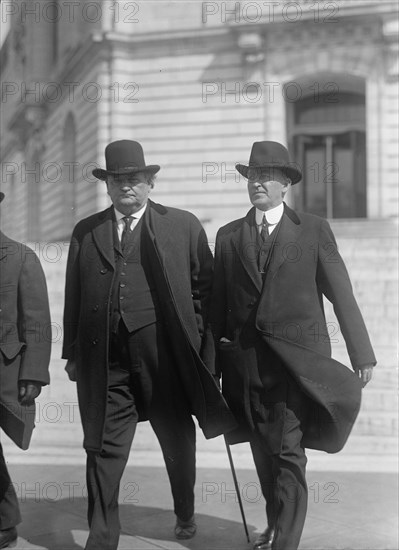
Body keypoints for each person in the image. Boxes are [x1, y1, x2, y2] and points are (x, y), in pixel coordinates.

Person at [62, 140, 235, 550]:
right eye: (118, 179)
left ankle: (185, 511)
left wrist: (205, 354)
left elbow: (205, 293)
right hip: (108, 362)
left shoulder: (183, 225)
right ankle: (102, 537)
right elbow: (74, 295)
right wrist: (72, 352)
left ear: (150, 182)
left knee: (177, 443)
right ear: (107, 185)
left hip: (166, 360)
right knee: (102, 448)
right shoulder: (85, 232)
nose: (127, 186)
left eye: (135, 179)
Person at [208, 141, 376, 550]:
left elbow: (341, 293)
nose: (257, 183)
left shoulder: (313, 229)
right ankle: (275, 527)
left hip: (296, 366)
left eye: (266, 176)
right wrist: (210, 366)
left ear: (285, 184)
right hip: (246, 367)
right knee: (265, 457)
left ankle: (285, 542)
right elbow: (216, 306)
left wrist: (361, 353)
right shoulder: (229, 236)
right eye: (251, 175)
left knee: (287, 453)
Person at [0, 192, 51, 549]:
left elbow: (36, 322)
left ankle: (5, 521)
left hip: (4, 369)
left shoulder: (20, 257)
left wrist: (32, 373)